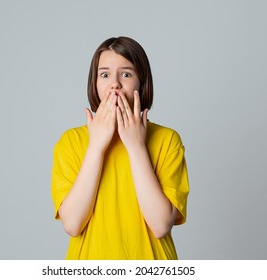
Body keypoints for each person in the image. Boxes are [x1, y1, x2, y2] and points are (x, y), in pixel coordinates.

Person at [51, 36, 189, 260]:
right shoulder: (71, 141)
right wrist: (96, 147)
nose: (114, 83)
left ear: (141, 82)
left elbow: (161, 224)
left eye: (126, 74)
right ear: (94, 84)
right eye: (104, 74)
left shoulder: (167, 140)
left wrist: (136, 147)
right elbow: (73, 224)